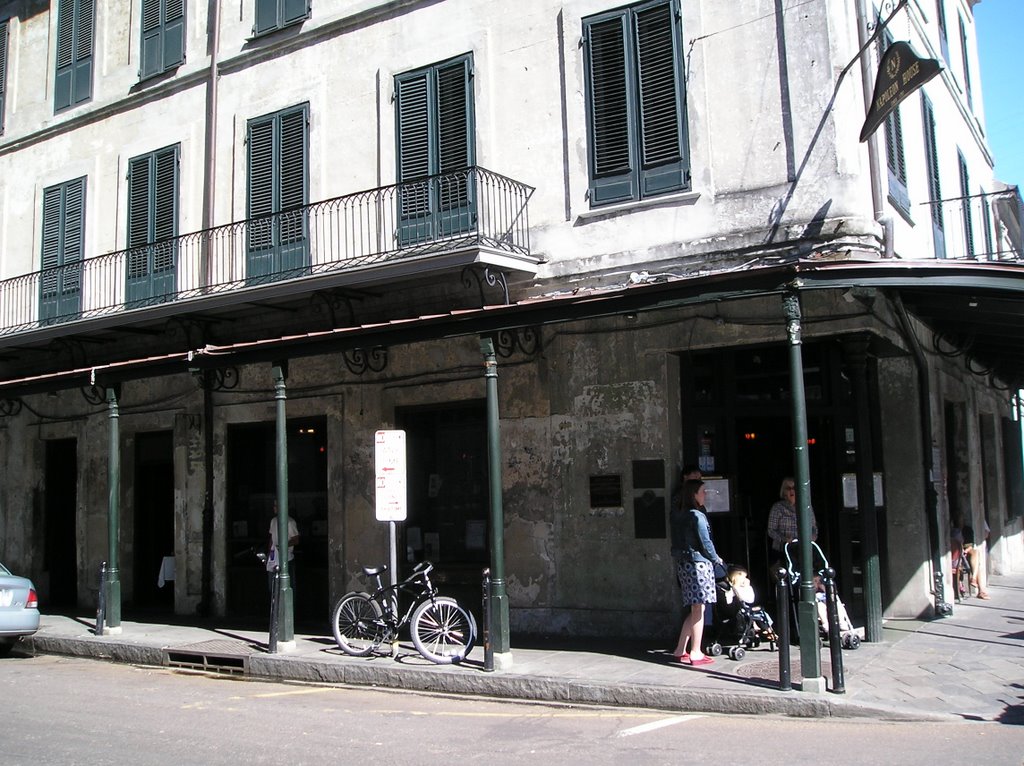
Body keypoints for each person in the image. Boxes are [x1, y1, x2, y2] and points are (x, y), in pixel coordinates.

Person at [670, 479, 725, 667]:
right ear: (694, 494)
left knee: (695, 607)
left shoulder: (678, 515)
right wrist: (716, 558)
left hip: (684, 564)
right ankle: (696, 651)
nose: (705, 494)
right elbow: (706, 542)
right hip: (698, 565)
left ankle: (680, 649)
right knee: (699, 608)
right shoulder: (697, 516)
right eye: (702, 491)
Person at [767, 477, 818, 565]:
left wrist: (812, 537)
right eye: (788, 488)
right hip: (782, 551)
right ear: (784, 491)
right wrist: (784, 539)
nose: (791, 490)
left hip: (803, 551)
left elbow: (813, 527)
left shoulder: (806, 507)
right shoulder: (777, 508)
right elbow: (771, 530)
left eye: (794, 488)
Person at [267, 504, 300, 594]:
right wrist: (269, 553)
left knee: (288, 586)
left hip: (287, 558)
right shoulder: (273, 521)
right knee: (272, 586)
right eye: (273, 506)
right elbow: (271, 538)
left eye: (276, 506)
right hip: (274, 558)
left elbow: (296, 540)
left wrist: (283, 546)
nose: (274, 508)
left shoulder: (290, 522)